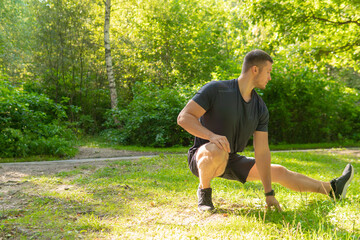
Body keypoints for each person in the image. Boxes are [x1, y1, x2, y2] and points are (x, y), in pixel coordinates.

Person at [177, 49, 354, 212]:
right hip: (203, 157)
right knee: (216, 148)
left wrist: (269, 193)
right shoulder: (216, 90)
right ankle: (204, 196)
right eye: (268, 72)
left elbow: (262, 151)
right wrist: (211, 136)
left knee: (280, 172)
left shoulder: (260, 108)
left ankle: (331, 189)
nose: (269, 77)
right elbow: (184, 117)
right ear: (255, 70)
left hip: (230, 159)